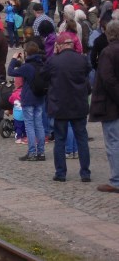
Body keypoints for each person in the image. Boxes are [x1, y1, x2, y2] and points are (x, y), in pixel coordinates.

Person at [42, 32, 92, 183]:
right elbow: (87, 73)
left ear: (59, 45)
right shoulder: (82, 59)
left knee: (60, 140)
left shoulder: (53, 61)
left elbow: (44, 76)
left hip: (60, 105)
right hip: (78, 104)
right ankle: (85, 173)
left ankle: (61, 173)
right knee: (82, 139)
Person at [89, 20, 119, 193]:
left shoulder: (108, 52)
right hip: (112, 104)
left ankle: (116, 180)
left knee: (113, 143)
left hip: (110, 105)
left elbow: (108, 79)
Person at [8, 42, 47, 161]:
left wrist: (14, 59)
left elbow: (11, 72)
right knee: (39, 125)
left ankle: (32, 152)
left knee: (29, 125)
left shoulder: (27, 67)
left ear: (26, 53)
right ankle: (41, 152)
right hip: (39, 98)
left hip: (29, 99)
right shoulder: (42, 64)